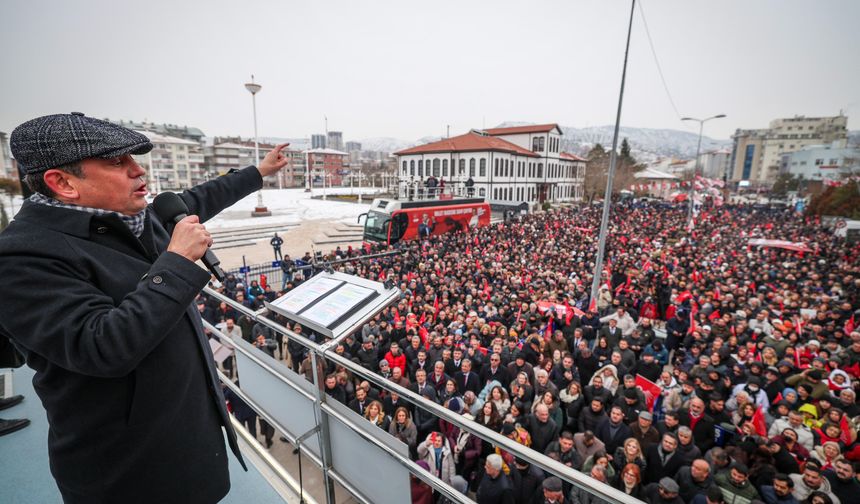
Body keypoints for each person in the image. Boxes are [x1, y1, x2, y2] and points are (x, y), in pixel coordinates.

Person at [0, 113, 289, 503]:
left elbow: (201, 197)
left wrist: (259, 171)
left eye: (134, 159)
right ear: (63, 183)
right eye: (118, 162)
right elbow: (101, 347)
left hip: (187, 446)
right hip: (128, 473)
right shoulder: (22, 258)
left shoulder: (135, 218)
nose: (139, 171)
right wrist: (177, 262)